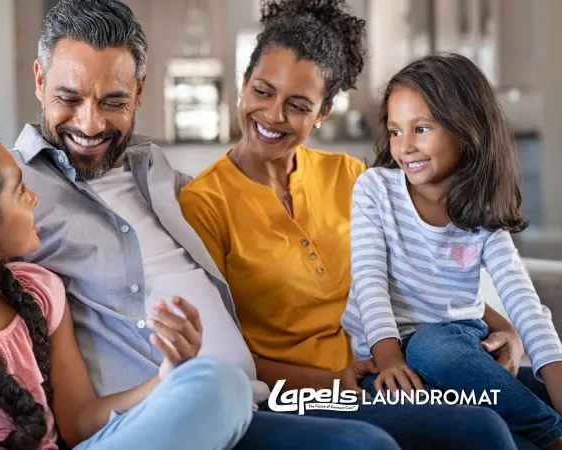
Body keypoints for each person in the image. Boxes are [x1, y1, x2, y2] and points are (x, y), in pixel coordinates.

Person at [0, 1, 405, 449]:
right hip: (154, 418)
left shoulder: (159, 171)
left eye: (113, 101)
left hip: (261, 398)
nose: (90, 123)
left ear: (140, 92)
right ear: (40, 82)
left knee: (449, 424)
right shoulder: (2, 196)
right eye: (69, 97)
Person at [178, 0, 531, 448]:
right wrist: (331, 382)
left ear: (323, 112)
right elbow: (221, 355)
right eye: (263, 91)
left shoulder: (351, 177)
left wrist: (508, 329)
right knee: (480, 430)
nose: (272, 115)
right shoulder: (203, 204)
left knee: (537, 396)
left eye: (298, 104)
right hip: (294, 394)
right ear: (242, 85)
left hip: (393, 367)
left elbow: (422, 275)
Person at [0, 124, 252, 450]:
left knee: (218, 384)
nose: (35, 197)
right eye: (20, 190)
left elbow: (78, 424)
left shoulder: (39, 294)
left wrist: (167, 377)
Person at [340, 53, 562, 450]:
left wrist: (553, 367)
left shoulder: (482, 211)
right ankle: (551, 432)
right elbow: (369, 278)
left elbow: (521, 298)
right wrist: (388, 355)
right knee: (415, 370)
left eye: (421, 128)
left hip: (456, 347)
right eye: (394, 131)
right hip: (389, 358)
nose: (404, 147)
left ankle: (548, 426)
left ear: (467, 130)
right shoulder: (375, 190)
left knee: (436, 346)